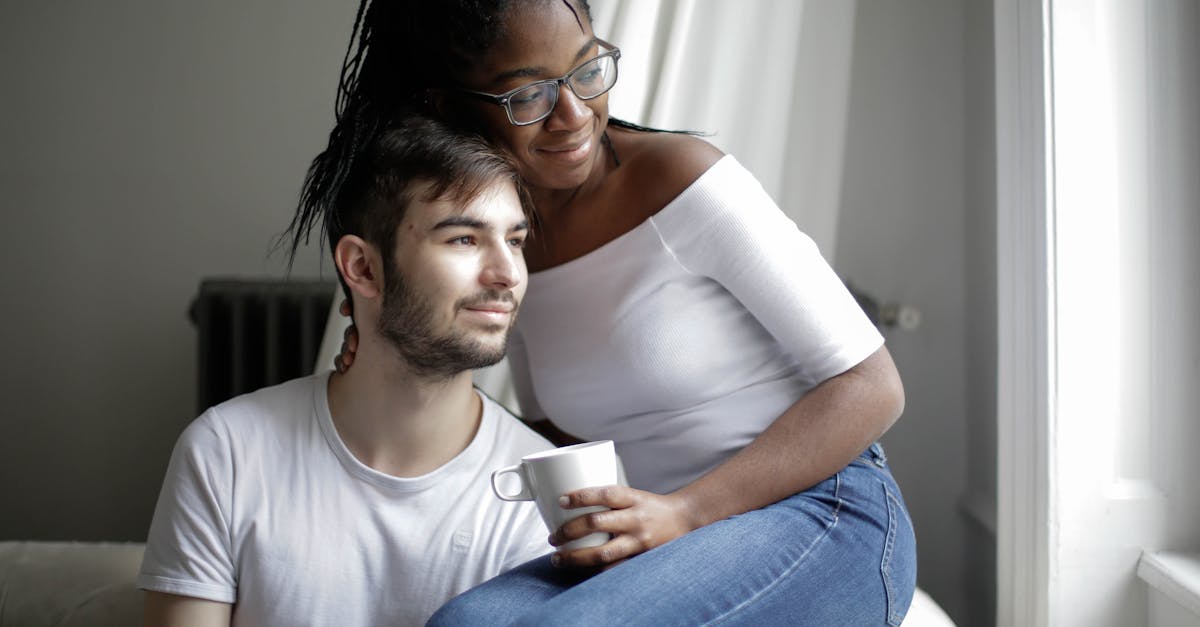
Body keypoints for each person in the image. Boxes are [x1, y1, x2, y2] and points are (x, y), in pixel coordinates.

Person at [311, 1, 918, 624]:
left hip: (828, 509)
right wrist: (387, 338)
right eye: (528, 96)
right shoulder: (507, 241)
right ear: (449, 105)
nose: (574, 115)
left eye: (585, 69)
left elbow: (874, 387)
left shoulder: (683, 181)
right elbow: (555, 434)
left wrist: (686, 511)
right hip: (672, 533)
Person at [137, 116, 555, 626]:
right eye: (464, 239)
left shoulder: (540, 487)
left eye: (514, 240)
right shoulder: (226, 454)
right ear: (362, 268)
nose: (508, 274)